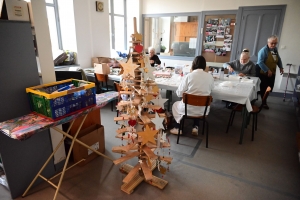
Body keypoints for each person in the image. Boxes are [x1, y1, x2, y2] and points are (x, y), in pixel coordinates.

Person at [170, 56, 215, 135]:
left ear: (193, 65)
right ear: (204, 65)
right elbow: (211, 90)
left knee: (175, 105)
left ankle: (178, 128)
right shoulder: (210, 77)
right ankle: (195, 126)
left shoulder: (189, 76)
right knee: (198, 103)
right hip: (203, 110)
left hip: (188, 109)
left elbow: (179, 93)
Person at [257, 35, 284, 109]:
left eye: (275, 43)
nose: (273, 45)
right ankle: (263, 102)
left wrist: (281, 67)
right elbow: (260, 62)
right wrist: (267, 70)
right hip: (263, 72)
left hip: (272, 71)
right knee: (264, 88)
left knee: (270, 87)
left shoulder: (275, 50)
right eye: (272, 43)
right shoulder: (263, 50)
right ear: (268, 42)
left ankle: (264, 100)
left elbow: (278, 59)